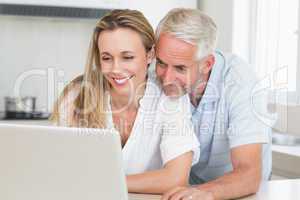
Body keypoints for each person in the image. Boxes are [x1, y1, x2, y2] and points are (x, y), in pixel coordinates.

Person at [50, 9, 200, 194]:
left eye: (127, 57)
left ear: (150, 55)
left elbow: (176, 179)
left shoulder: (170, 99)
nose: (116, 69)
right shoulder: (77, 96)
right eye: (106, 58)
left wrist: (102, 182)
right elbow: (57, 167)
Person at [154, 8, 273, 200]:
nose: (166, 78)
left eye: (180, 68)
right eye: (161, 63)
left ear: (207, 64)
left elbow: (249, 175)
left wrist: (201, 192)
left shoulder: (241, 83)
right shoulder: (154, 76)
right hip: (187, 190)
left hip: (240, 193)